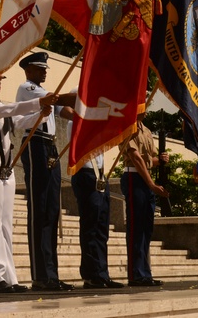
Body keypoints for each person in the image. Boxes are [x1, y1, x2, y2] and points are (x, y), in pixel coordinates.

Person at [0, 77, 58, 293]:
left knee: (6, 224)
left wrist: (41, 115)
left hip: (5, 167)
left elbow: (18, 121)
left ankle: (9, 277)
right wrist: (38, 102)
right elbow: (12, 109)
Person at [14, 51, 74, 291]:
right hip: (35, 142)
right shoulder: (27, 88)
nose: (44, 72)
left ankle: (51, 273)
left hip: (50, 144)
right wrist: (87, 96)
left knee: (51, 210)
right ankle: (40, 274)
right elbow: (60, 101)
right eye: (40, 69)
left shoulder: (44, 92)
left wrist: (86, 114)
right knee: (39, 209)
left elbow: (66, 111)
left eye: (45, 69)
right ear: (28, 70)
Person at [66, 114, 125, 290]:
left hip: (99, 174)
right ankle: (91, 274)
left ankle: (102, 272)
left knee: (101, 228)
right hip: (85, 174)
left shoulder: (96, 123)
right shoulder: (74, 122)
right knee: (90, 227)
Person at [118, 110, 170, 287]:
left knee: (146, 229)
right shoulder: (127, 128)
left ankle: (144, 272)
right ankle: (135, 274)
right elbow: (135, 158)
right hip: (134, 178)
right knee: (136, 228)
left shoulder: (146, 130)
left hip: (146, 179)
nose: (146, 109)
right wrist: (152, 185)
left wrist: (161, 160)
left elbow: (149, 161)